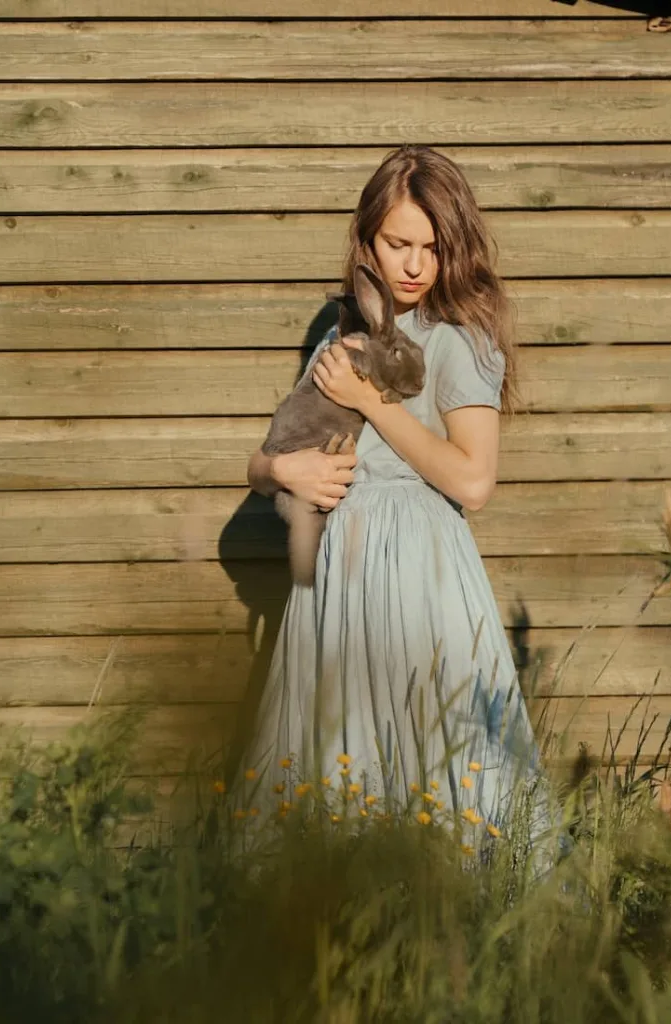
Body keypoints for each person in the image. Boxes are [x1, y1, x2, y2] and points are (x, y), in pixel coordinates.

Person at [233, 145, 551, 848]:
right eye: (397, 244)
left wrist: (375, 403)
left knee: (436, 764)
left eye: (431, 248)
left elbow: (474, 480)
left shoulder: (459, 340)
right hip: (336, 586)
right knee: (336, 769)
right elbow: (263, 461)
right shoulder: (343, 330)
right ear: (367, 242)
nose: (413, 265)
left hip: (419, 579)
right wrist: (286, 476)